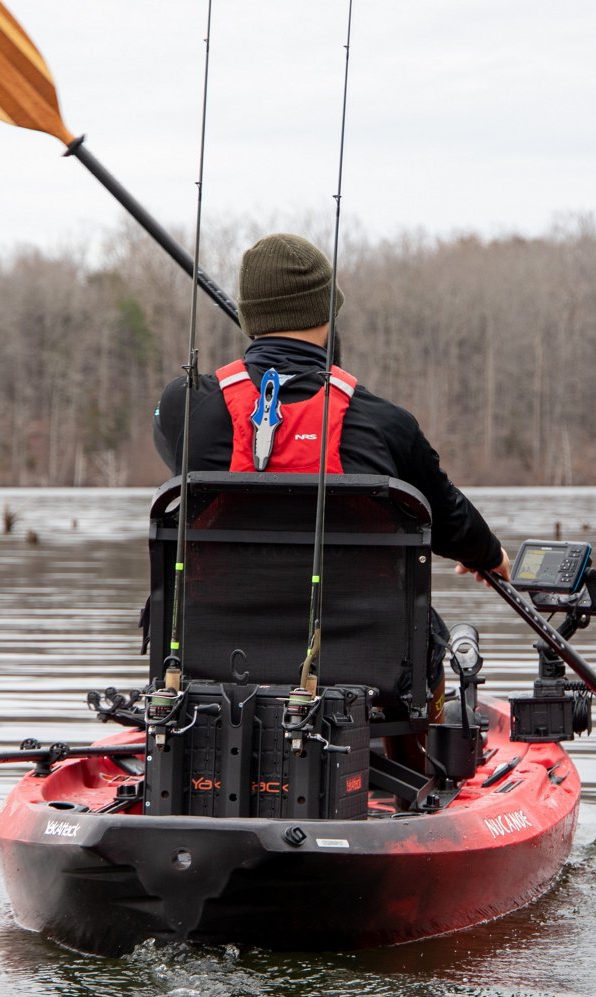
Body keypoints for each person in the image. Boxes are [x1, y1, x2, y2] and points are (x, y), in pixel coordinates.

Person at [153, 233, 510, 717]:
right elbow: (449, 518)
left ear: (250, 317)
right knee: (431, 637)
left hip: (210, 668)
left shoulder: (186, 406)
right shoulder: (384, 423)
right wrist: (490, 554)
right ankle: (417, 763)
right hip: (367, 676)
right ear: (328, 316)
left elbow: (170, 445)